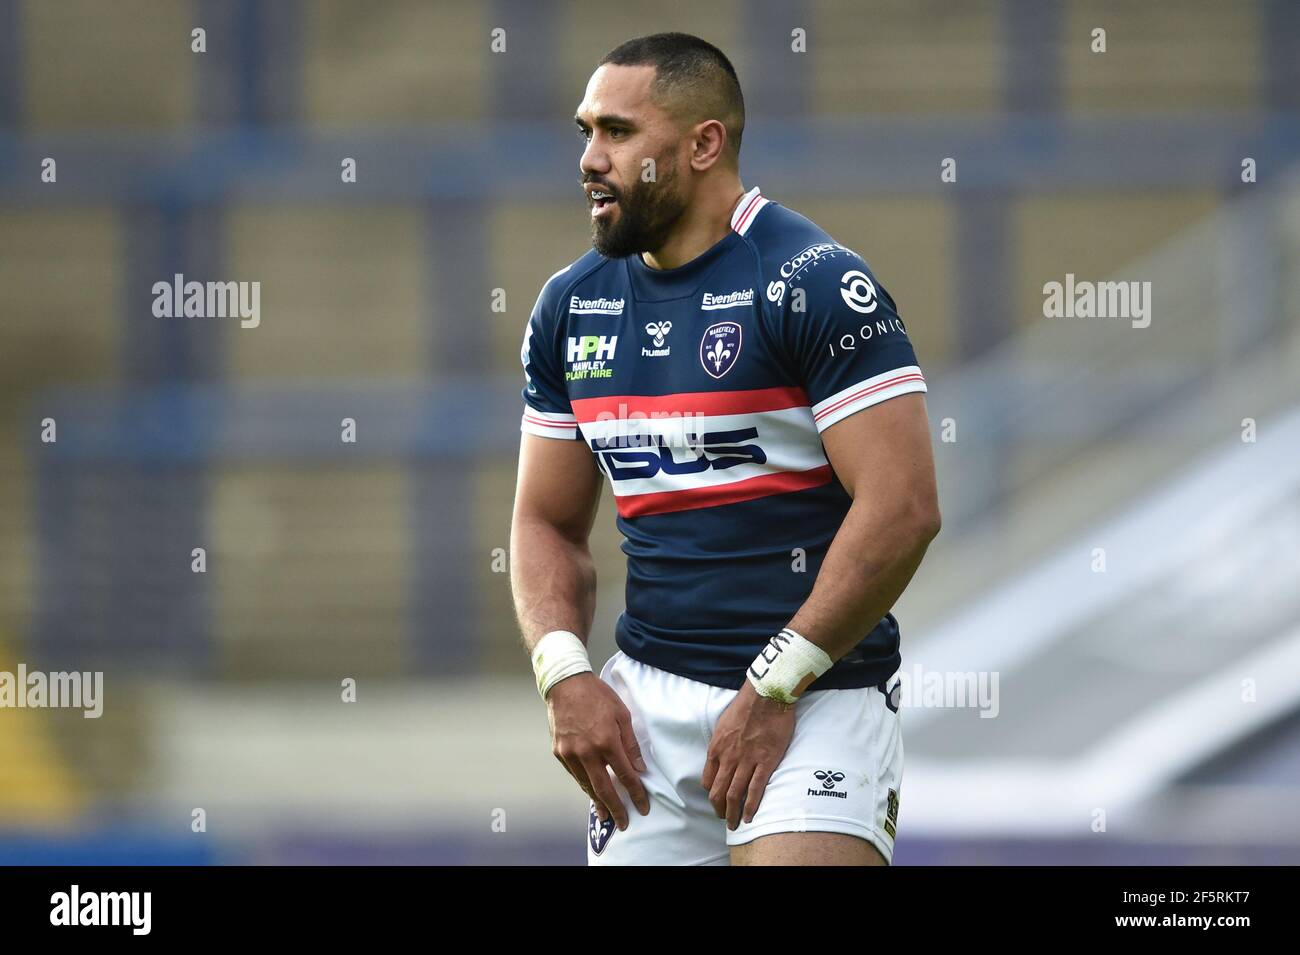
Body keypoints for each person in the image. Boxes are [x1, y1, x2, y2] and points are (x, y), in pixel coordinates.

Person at [510, 32, 940, 866]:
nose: (591, 159)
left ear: (705, 143)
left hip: (816, 692)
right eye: (585, 132)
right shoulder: (570, 306)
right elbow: (543, 522)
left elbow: (905, 507)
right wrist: (565, 672)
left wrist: (777, 683)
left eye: (618, 132)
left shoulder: (814, 282)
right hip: (649, 712)